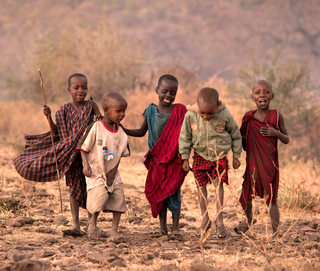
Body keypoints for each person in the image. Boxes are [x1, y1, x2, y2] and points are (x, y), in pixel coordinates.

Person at [13, 73, 102, 237]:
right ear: (69, 90)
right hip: (70, 155)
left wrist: (98, 118)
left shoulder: (92, 105)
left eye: (84, 87)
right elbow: (57, 134)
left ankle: (92, 225)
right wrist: (48, 117)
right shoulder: (63, 111)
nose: (80, 91)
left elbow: (99, 122)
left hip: (89, 155)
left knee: (91, 188)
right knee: (74, 190)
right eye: (76, 88)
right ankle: (76, 226)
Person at [123, 74, 187, 238]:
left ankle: (176, 228)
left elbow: (187, 135)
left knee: (174, 193)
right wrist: (123, 129)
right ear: (157, 90)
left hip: (174, 159)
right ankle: (162, 228)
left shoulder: (180, 111)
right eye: (164, 91)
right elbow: (141, 131)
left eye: (172, 93)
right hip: (157, 160)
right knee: (160, 194)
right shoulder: (151, 111)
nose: (168, 95)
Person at [180, 87, 242, 239]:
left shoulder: (225, 114)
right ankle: (205, 218)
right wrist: (185, 157)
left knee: (218, 185)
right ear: (197, 107)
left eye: (210, 113)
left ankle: (219, 221)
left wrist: (236, 155)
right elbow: (185, 136)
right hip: (200, 155)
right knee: (200, 187)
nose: (206, 116)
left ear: (217, 106)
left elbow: (235, 134)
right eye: (203, 113)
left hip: (219, 155)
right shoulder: (190, 115)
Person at [234, 80, 289, 238]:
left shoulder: (277, 116)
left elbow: (286, 139)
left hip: (269, 165)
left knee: (271, 199)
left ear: (272, 96)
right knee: (246, 196)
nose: (262, 95)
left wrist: (276, 133)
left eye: (266, 92)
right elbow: (241, 137)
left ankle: (276, 234)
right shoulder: (248, 117)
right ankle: (249, 220)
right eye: (258, 92)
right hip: (252, 164)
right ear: (252, 97)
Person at [79, 92, 130, 242]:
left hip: (113, 173)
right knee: (98, 198)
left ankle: (114, 231)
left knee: (118, 200)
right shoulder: (96, 127)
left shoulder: (121, 133)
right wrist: (85, 165)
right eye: (118, 111)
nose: (122, 114)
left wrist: (114, 173)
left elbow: (120, 153)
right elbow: (84, 148)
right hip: (96, 171)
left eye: (123, 111)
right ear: (106, 110)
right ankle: (92, 225)